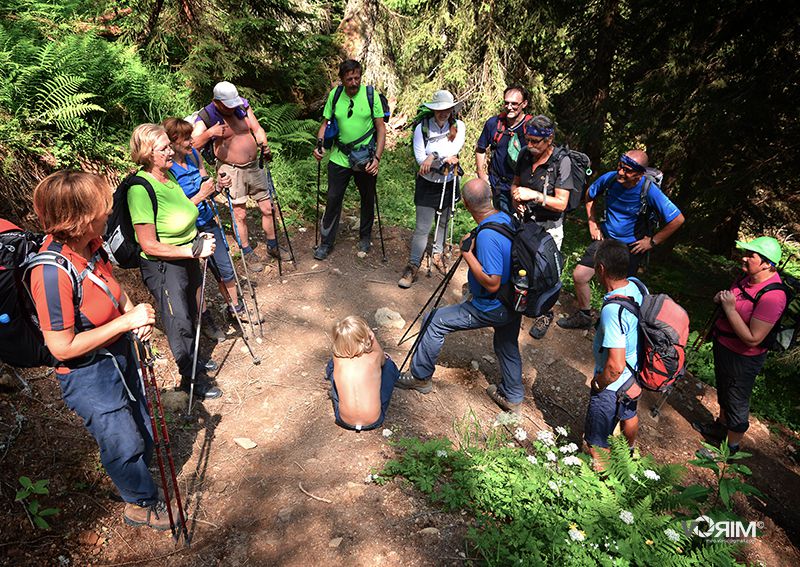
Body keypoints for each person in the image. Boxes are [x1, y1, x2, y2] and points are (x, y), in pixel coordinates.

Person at [29, 170, 173, 530]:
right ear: (78, 218)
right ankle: (139, 503)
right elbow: (61, 346)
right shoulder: (50, 272)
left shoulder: (92, 246)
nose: (108, 212)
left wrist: (130, 314)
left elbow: (112, 290)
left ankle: (137, 478)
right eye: (101, 207)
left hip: (118, 352)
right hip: (88, 373)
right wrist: (125, 323)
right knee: (121, 438)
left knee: (139, 421)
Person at [396, 178, 524, 414]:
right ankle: (514, 397)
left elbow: (492, 282)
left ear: (465, 204)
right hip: (515, 299)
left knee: (435, 320)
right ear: (491, 197)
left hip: (493, 304)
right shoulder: (504, 218)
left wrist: (467, 253)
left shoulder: (487, 236)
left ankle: (420, 378)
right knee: (506, 342)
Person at [128, 123, 222, 400]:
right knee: (178, 320)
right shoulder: (141, 189)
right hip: (163, 265)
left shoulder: (169, 178)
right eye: (163, 148)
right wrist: (192, 251)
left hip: (186, 254)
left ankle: (194, 360)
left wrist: (195, 237)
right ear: (147, 153)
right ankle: (191, 380)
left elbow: (181, 212)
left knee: (191, 311)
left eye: (169, 145)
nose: (170, 151)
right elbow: (148, 244)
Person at [559, 150, 685, 330]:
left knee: (617, 290)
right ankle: (584, 315)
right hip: (606, 238)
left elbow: (678, 219)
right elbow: (590, 195)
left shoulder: (649, 191)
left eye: (627, 170)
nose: (620, 173)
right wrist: (592, 222)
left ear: (639, 174)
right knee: (580, 275)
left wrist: (651, 242)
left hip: (630, 246)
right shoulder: (610, 179)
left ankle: (607, 324)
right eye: (620, 167)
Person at [693, 237, 788, 455]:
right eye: (745, 252)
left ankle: (730, 448)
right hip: (724, 344)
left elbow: (753, 338)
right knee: (725, 390)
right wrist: (721, 299)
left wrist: (729, 308)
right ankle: (720, 427)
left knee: (736, 397)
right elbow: (732, 299)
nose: (743, 258)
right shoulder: (745, 277)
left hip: (743, 357)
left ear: (767, 263)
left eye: (750, 255)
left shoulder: (774, 296)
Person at [163, 117, 249, 340]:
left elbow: (205, 186)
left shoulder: (194, 155)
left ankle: (235, 309)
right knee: (195, 279)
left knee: (225, 268)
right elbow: (174, 209)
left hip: (208, 220)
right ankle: (205, 319)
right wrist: (201, 195)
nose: (191, 142)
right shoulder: (167, 170)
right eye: (185, 139)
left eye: (190, 137)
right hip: (185, 229)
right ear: (172, 142)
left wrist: (218, 185)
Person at [191, 81, 282, 273]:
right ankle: (247, 250)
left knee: (268, 208)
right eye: (228, 105)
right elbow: (191, 145)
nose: (233, 108)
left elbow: (256, 129)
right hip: (231, 169)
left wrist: (263, 144)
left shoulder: (241, 106)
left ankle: (273, 245)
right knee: (239, 213)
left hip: (254, 167)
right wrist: (210, 133)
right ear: (217, 102)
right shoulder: (206, 116)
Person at [312, 59, 387, 260]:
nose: (354, 83)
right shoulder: (335, 96)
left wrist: (377, 158)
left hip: (365, 157)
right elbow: (325, 124)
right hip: (339, 156)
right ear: (342, 80)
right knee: (333, 199)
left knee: (367, 198)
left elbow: (381, 128)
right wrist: (319, 146)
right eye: (349, 79)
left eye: (357, 78)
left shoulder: (371, 96)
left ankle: (365, 237)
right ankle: (326, 243)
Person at [584, 239, 645, 470]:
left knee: (597, 443)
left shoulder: (613, 310)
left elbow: (615, 366)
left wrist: (599, 384)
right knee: (629, 415)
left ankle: (601, 478)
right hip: (634, 376)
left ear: (600, 269)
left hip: (613, 386)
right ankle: (627, 456)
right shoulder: (636, 287)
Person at [510, 115, 573, 339]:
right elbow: (515, 183)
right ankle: (517, 306)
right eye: (528, 139)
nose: (530, 145)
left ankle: (545, 312)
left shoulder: (561, 162)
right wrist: (516, 198)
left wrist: (534, 195)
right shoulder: (525, 155)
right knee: (520, 264)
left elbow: (562, 203)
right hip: (525, 221)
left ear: (549, 140)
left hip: (549, 226)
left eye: (536, 141)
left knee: (546, 272)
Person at [398, 90, 466, 288]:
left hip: (448, 181)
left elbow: (454, 151)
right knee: (422, 227)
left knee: (443, 222)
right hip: (427, 183)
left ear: (452, 109)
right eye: (439, 110)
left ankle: (437, 253)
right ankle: (413, 264)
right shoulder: (422, 128)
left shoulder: (459, 127)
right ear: (434, 110)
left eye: (447, 109)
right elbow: (421, 159)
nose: (443, 113)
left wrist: (434, 155)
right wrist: (438, 157)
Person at [325, 315, 400, 431]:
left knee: (331, 367)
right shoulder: (374, 357)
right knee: (388, 365)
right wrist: (372, 337)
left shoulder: (337, 358)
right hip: (374, 421)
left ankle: (343, 397)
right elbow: (383, 360)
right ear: (365, 337)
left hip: (344, 421)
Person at [475, 86, 531, 215]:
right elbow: (480, 149)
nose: (509, 107)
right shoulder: (493, 124)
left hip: (525, 188)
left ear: (524, 104)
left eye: (514, 104)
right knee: (503, 225)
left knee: (524, 228)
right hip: (499, 186)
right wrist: (481, 173)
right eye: (506, 103)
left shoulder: (531, 126)